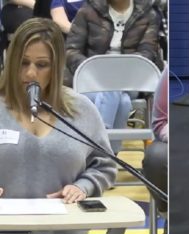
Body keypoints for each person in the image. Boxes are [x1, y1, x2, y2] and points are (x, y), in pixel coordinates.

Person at [0, 17, 117, 203]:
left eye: (41, 65)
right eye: (23, 63)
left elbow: (105, 165)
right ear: (10, 60)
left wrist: (83, 186)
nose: (30, 73)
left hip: (65, 226)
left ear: (56, 67)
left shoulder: (81, 109)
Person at [65, 0, 164, 153]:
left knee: (113, 86)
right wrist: (92, 70)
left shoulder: (148, 14)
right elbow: (71, 51)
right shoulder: (88, 11)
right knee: (123, 102)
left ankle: (95, 148)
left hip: (131, 80)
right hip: (92, 79)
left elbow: (147, 53)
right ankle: (111, 155)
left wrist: (118, 71)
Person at [143, 66, 167, 234]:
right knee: (156, 156)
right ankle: (166, 213)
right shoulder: (168, 72)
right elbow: (159, 123)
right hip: (168, 136)